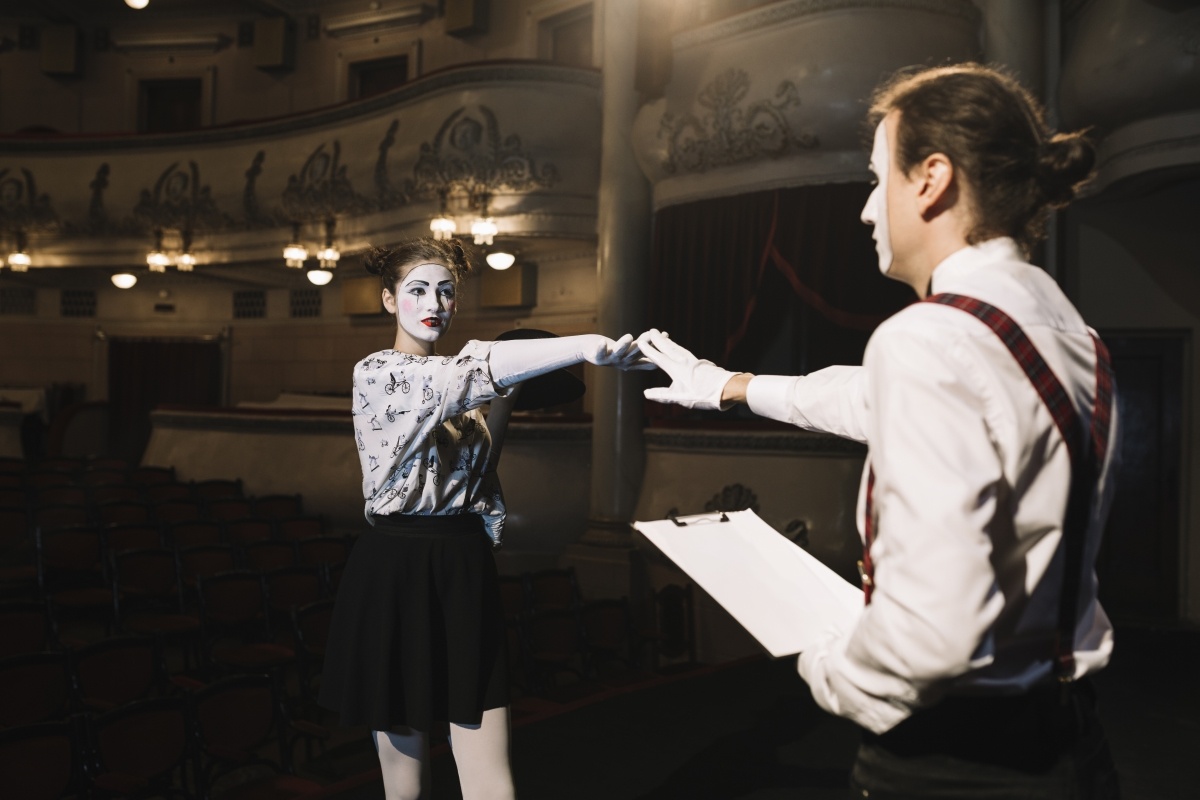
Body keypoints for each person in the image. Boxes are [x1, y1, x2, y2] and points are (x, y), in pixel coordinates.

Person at [637, 64, 1122, 799]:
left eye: (875, 179)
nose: (866, 211)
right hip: (1071, 745)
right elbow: (864, 398)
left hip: (957, 762)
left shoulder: (929, 339)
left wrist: (831, 667)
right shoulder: (1062, 329)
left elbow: (931, 636)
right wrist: (727, 387)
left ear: (931, 179)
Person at [318, 237, 648, 800]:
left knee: (492, 776)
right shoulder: (378, 372)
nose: (434, 303)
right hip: (399, 566)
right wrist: (586, 343)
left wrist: (506, 403)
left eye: (446, 292)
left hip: (461, 563)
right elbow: (477, 365)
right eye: (418, 290)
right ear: (387, 299)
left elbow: (475, 478)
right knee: (405, 787)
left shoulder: (463, 390)